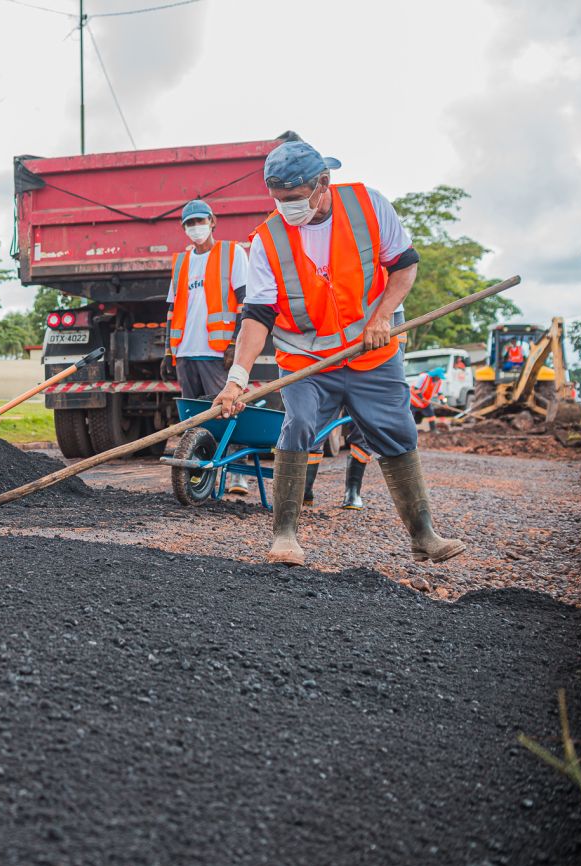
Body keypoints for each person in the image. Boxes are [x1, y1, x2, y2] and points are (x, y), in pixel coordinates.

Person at [213, 139, 463, 566]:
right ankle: (284, 535)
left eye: (294, 197)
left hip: (371, 352)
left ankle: (424, 536)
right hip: (307, 359)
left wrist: (381, 318)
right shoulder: (267, 240)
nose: (286, 207)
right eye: (278, 199)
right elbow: (257, 316)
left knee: (398, 431)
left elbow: (404, 265)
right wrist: (236, 379)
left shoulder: (369, 206)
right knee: (298, 425)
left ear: (323, 183)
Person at [166, 198, 252, 494]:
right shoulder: (181, 262)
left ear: (212, 221)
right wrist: (169, 352)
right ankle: (200, 475)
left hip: (217, 350)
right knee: (194, 418)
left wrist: (235, 343)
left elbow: (246, 301)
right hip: (186, 351)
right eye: (189, 223)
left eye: (200, 221)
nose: (195, 227)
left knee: (229, 410)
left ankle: (238, 474)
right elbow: (172, 309)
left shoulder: (232, 253)